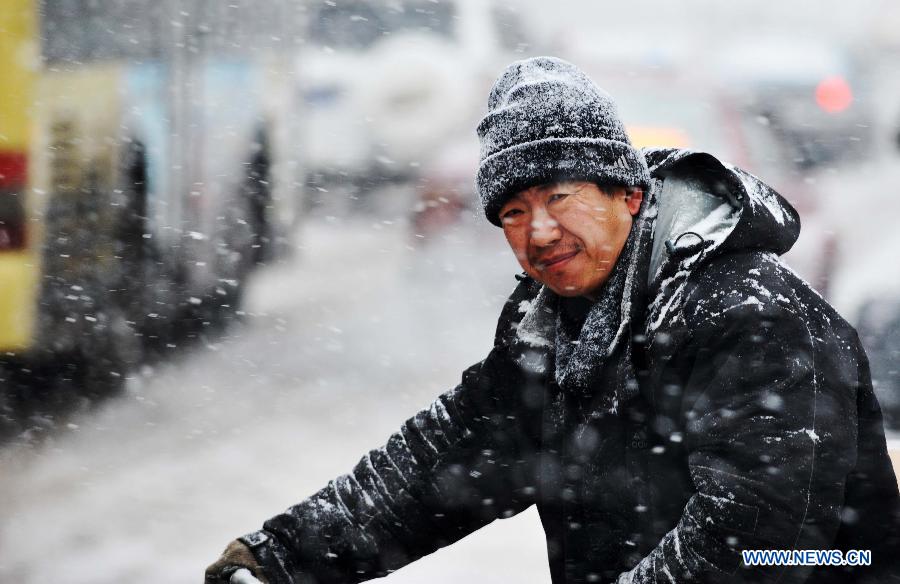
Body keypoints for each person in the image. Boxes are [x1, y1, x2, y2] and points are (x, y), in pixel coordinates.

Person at [205, 57, 900, 584]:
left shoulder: (746, 314)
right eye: (512, 212)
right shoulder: (554, 336)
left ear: (627, 193)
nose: (538, 232)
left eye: (559, 197)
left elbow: (764, 537)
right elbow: (440, 463)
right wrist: (278, 559)